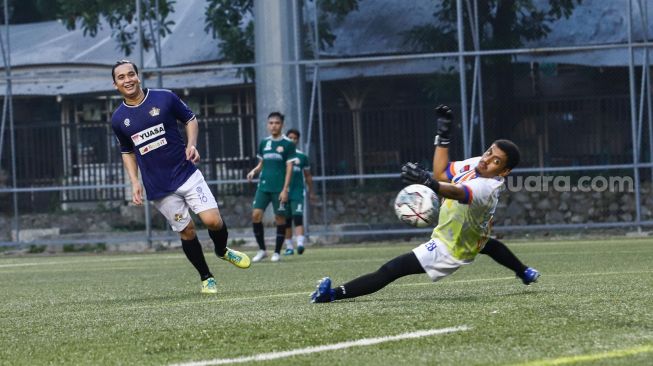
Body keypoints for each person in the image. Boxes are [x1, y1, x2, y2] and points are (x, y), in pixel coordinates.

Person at [310, 105, 540, 303]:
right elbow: (442, 172)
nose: (487, 159)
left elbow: (456, 191)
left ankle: (332, 294)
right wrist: (443, 134)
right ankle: (524, 272)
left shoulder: (488, 187)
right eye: (489, 152)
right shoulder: (476, 165)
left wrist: (429, 182)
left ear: (505, 171)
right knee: (488, 245)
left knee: (392, 269)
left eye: (495, 161)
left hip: (449, 247)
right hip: (472, 232)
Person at [110, 60, 250, 295]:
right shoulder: (118, 118)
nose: (128, 80)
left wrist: (192, 144)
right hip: (159, 187)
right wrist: (134, 181)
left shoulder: (164, 98)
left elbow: (190, 119)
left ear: (138, 76)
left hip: (186, 173)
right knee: (187, 231)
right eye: (121, 77)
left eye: (131, 74)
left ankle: (222, 250)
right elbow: (127, 152)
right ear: (115, 85)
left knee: (213, 221)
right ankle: (206, 277)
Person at [246, 112, 296, 262]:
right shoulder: (264, 143)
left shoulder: (288, 144)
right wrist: (254, 171)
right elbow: (262, 163)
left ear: (282, 125)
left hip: (279, 189)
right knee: (255, 215)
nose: (274, 125)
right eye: (271, 123)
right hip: (264, 186)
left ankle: (277, 252)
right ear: (268, 125)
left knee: (280, 218)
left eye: (277, 123)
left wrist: (285, 189)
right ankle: (262, 250)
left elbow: (289, 168)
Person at [282, 129, 318, 256]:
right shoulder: (282, 155)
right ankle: (289, 247)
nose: (292, 140)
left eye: (295, 138)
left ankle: (300, 244)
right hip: (283, 193)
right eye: (290, 137)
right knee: (286, 220)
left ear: (297, 140)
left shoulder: (302, 157)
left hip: (297, 192)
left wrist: (311, 192)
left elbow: (308, 176)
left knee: (297, 217)